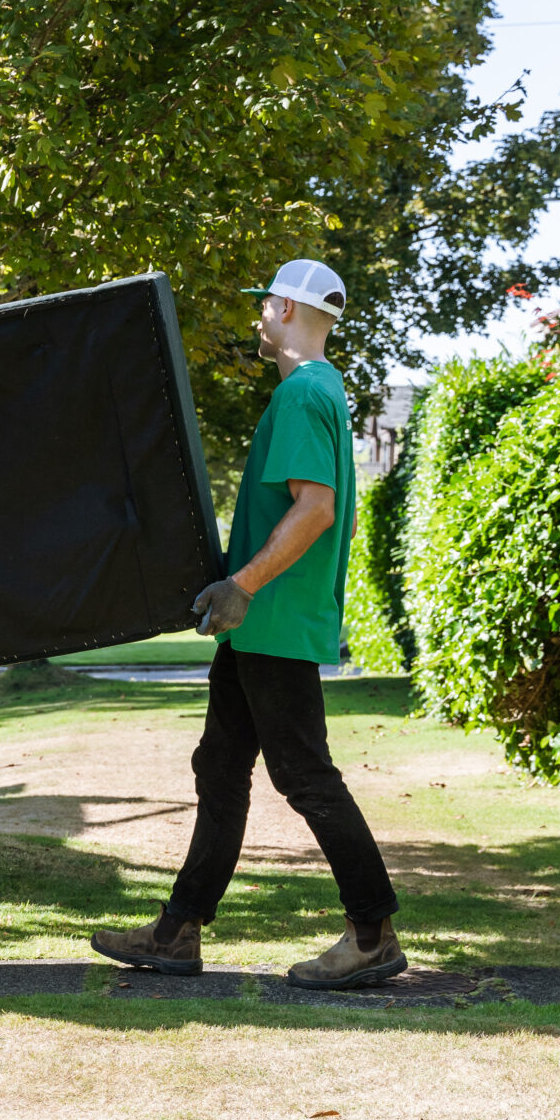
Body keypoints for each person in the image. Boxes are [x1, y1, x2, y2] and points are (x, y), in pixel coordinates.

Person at [91, 260, 404, 990]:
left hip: (271, 619)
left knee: (305, 775)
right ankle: (178, 931)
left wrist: (241, 584)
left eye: (265, 305)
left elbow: (315, 507)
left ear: (287, 308)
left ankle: (372, 932)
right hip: (262, 626)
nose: (259, 318)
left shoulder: (302, 393)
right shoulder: (321, 390)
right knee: (221, 767)